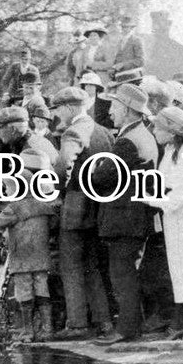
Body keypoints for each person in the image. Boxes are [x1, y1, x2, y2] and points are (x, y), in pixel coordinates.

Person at [0, 150, 59, 342]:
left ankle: (28, 331)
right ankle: (47, 330)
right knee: (42, 290)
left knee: (24, 293)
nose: (6, 193)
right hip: (41, 257)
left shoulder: (15, 208)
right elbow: (52, 224)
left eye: (8, 189)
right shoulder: (44, 206)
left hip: (21, 258)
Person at [92, 83, 158, 345]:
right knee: (128, 272)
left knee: (122, 275)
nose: (110, 112)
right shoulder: (143, 135)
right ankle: (132, 326)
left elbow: (100, 177)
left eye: (115, 106)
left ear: (128, 110)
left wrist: (96, 167)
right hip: (135, 216)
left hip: (124, 218)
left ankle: (127, 329)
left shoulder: (128, 141)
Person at [138, 105, 183, 337]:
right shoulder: (173, 150)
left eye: (158, 127)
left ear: (171, 132)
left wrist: (147, 199)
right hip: (180, 215)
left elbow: (176, 199)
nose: (154, 131)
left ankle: (181, 322)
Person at [51, 86, 113, 340]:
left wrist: (57, 190)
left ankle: (77, 324)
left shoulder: (73, 131)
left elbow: (62, 164)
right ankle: (104, 321)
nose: (57, 115)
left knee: (71, 265)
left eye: (58, 109)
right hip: (99, 205)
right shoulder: (104, 132)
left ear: (68, 107)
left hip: (76, 205)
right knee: (92, 265)